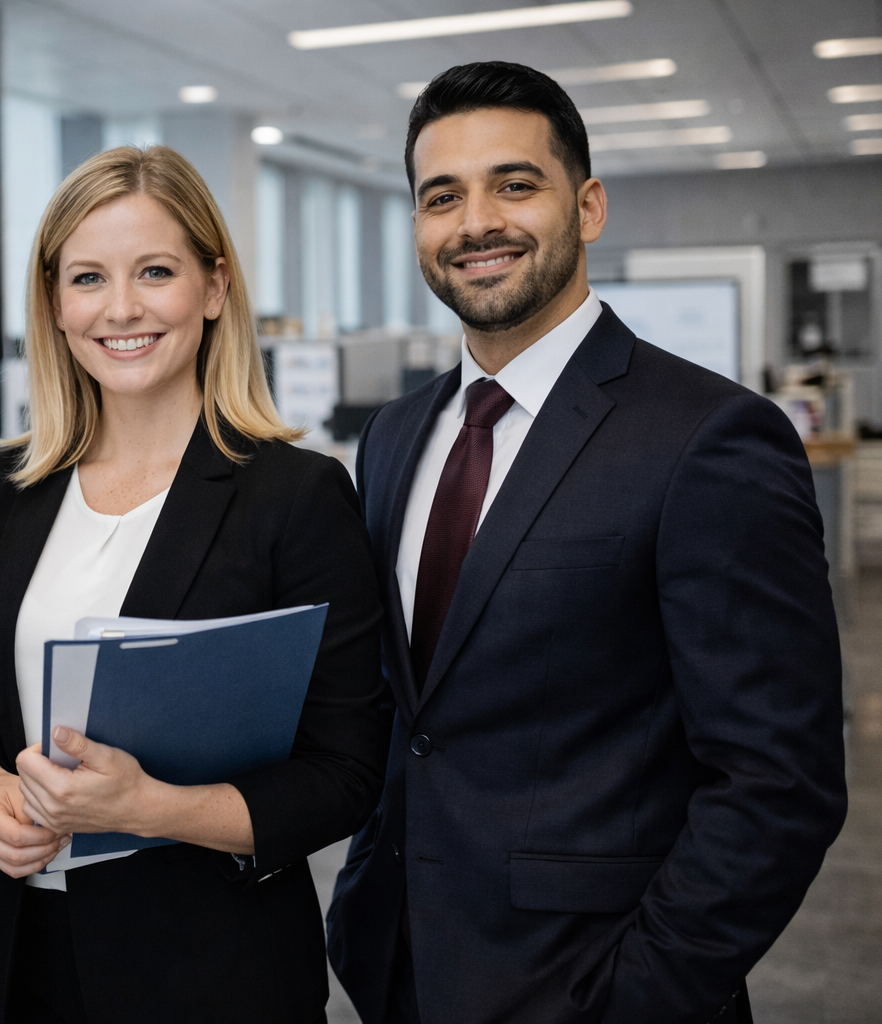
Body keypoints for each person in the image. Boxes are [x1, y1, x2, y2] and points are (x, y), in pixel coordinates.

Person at [326, 61, 848, 1024]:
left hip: (594, 984)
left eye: (514, 184)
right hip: (400, 969)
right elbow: (414, 720)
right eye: (443, 196)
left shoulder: (708, 437)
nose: (476, 221)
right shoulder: (396, 436)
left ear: (589, 205)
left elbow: (780, 782)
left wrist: (635, 996)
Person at [0, 145, 391, 1024]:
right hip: (24, 954)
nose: (121, 308)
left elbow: (346, 772)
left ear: (215, 288)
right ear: (56, 305)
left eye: (155, 271)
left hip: (210, 970)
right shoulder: (5, 487)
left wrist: (152, 807)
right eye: (88, 278)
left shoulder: (293, 496)